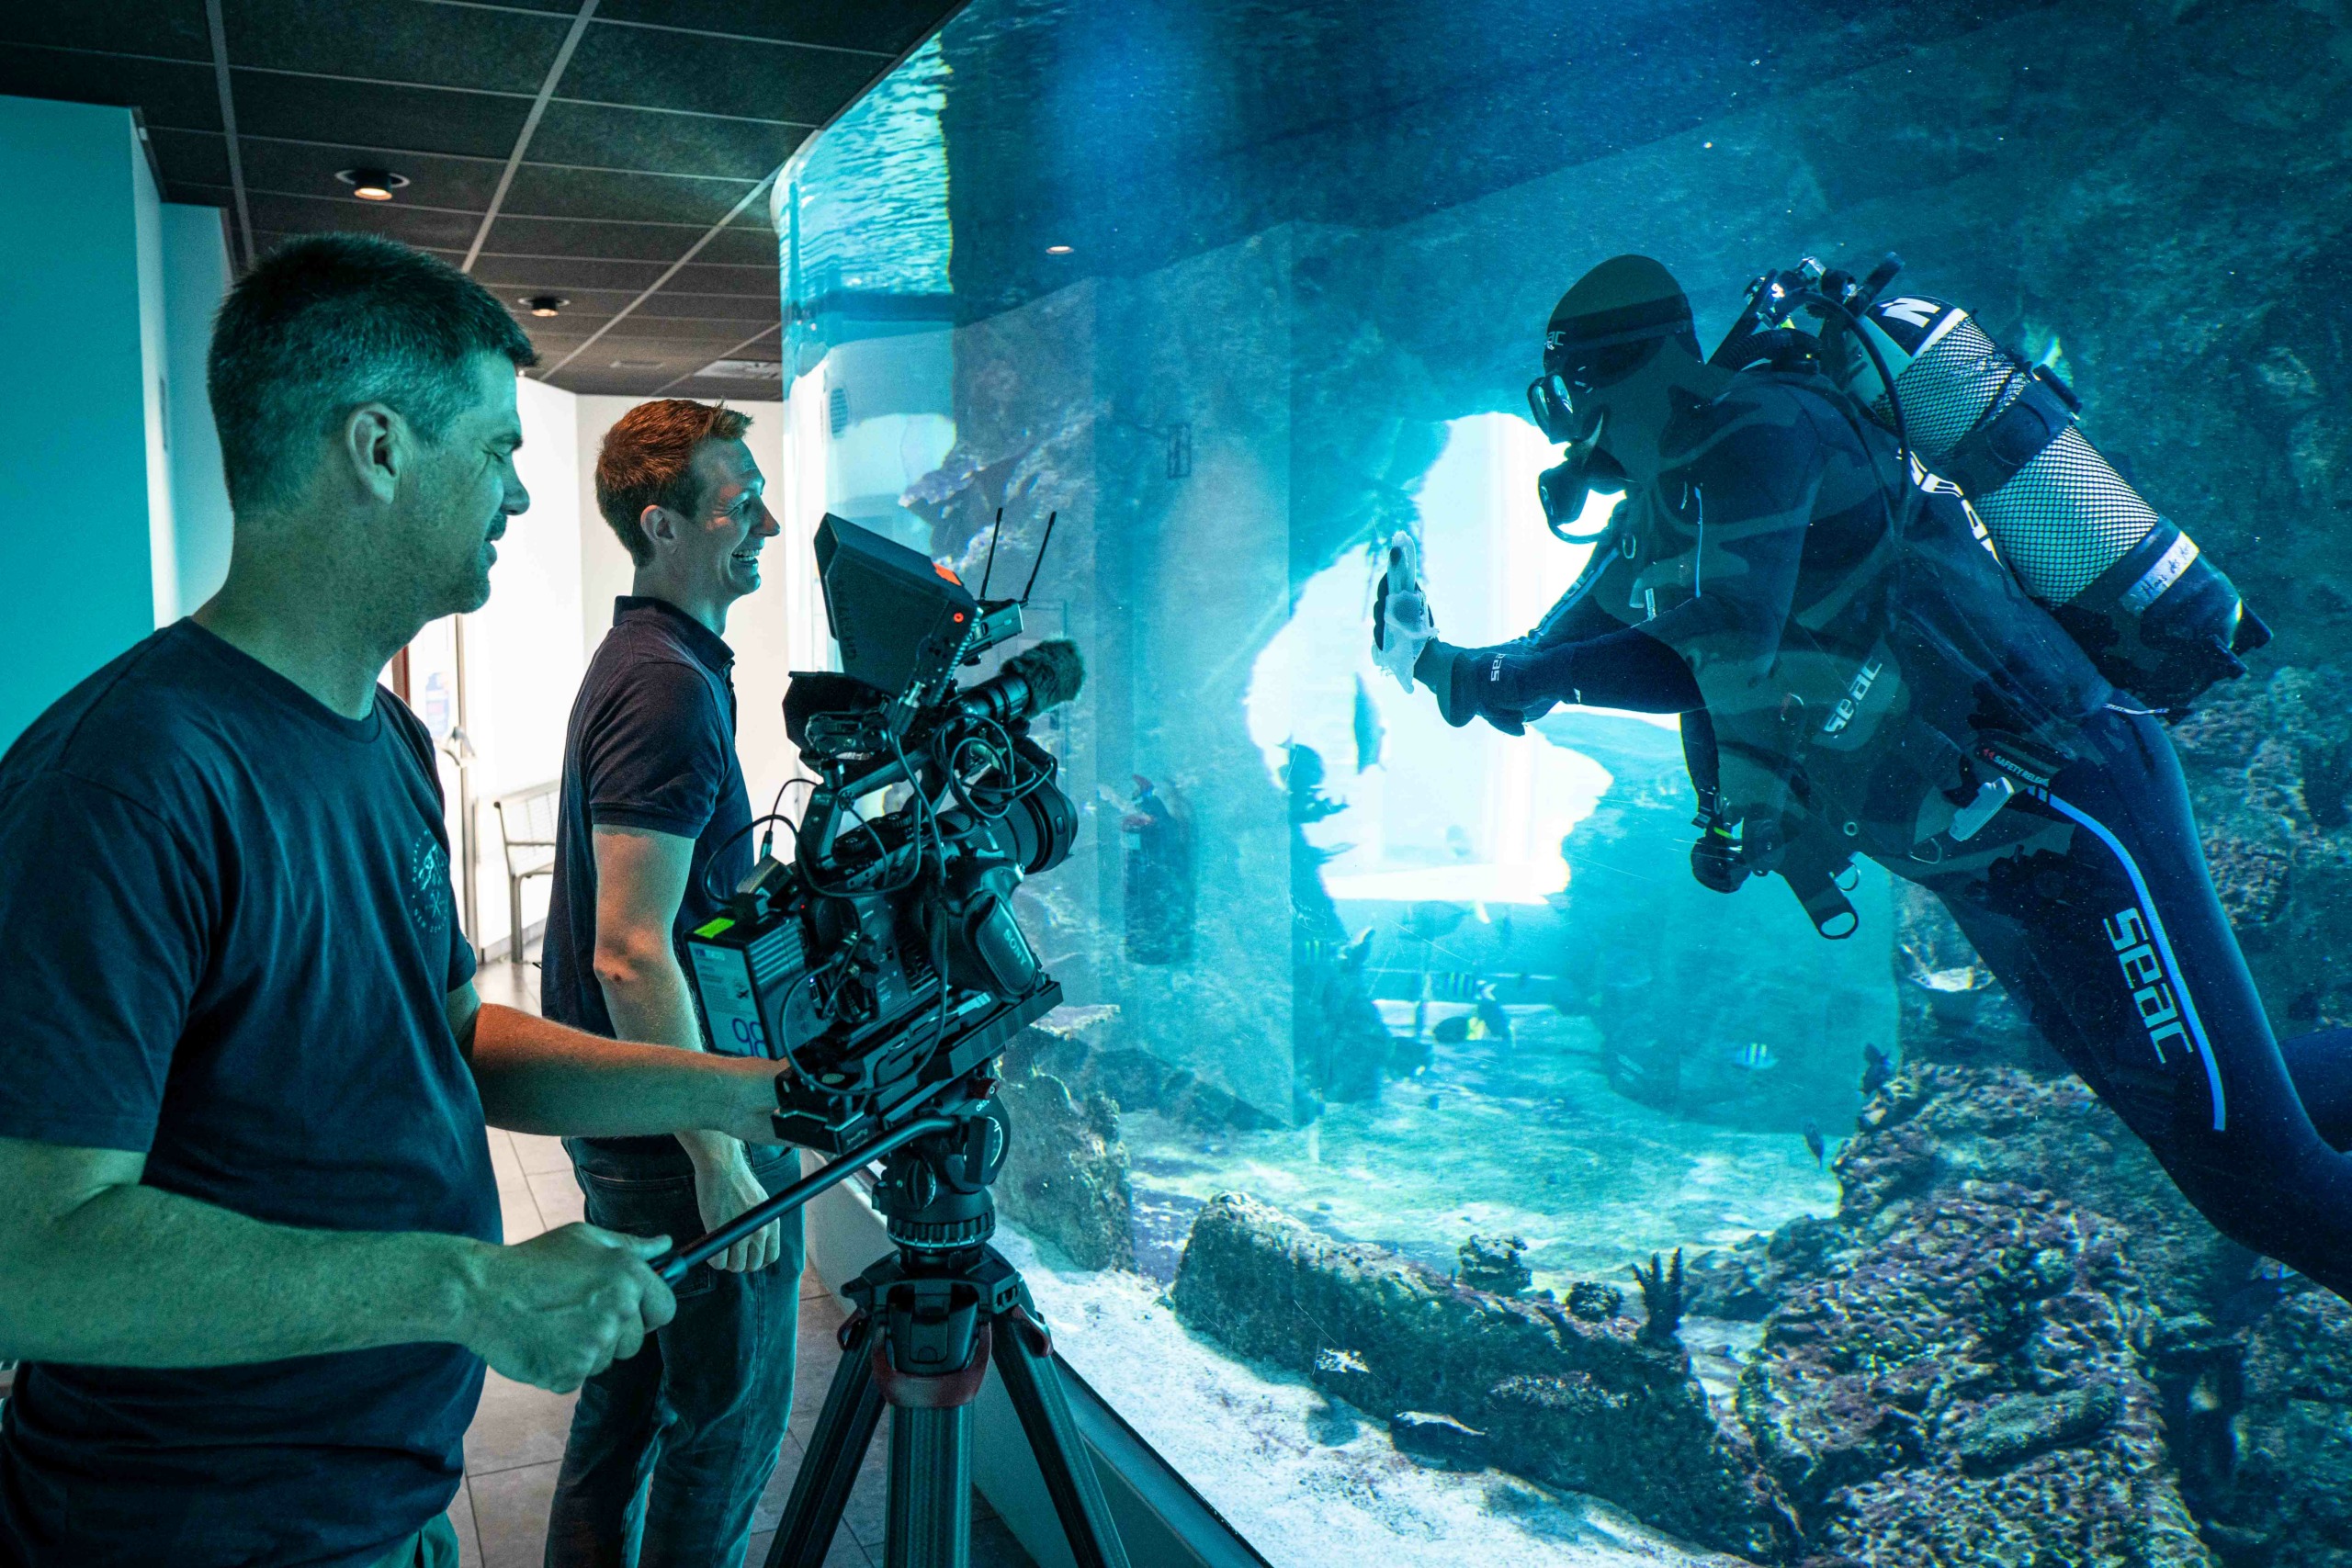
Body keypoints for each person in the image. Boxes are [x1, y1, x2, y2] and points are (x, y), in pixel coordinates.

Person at [0, 235, 792, 1568]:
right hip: (193, 1527)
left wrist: (740, 1090)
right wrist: (470, 1285)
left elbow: (455, 1039)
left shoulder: (387, 739)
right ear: (376, 447)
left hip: (388, 1491)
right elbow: (31, 1251)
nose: (523, 497)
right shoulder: (128, 776)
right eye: (494, 450)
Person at [1375, 254, 2352, 1302]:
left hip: (2069, 804)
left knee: (2260, 1187)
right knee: (2201, 1118)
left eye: (1574, 390)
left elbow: (1721, 648)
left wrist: (1499, 676)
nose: (1572, 425)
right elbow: (1566, 668)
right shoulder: (1663, 509)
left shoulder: (1761, 432)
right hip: (1984, 853)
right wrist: (1438, 659)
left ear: (1613, 373)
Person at [537, 400, 799, 1567]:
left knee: (630, 1406)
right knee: (722, 1427)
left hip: (632, 1118)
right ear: (664, 525)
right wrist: (721, 1159)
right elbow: (631, 949)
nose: (769, 525)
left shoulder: (652, 662)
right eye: (740, 506)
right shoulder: (666, 688)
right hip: (670, 1136)